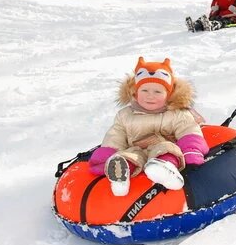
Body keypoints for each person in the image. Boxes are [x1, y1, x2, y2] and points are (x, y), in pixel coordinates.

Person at [87, 57, 209, 196]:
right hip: (137, 150)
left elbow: (188, 130)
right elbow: (116, 135)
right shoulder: (125, 115)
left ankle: (165, 170)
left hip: (163, 148)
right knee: (128, 156)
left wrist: (191, 151)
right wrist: (107, 155)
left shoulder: (177, 113)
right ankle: (121, 177)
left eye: (157, 92)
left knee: (168, 149)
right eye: (145, 91)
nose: (150, 96)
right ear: (135, 92)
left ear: (169, 94)